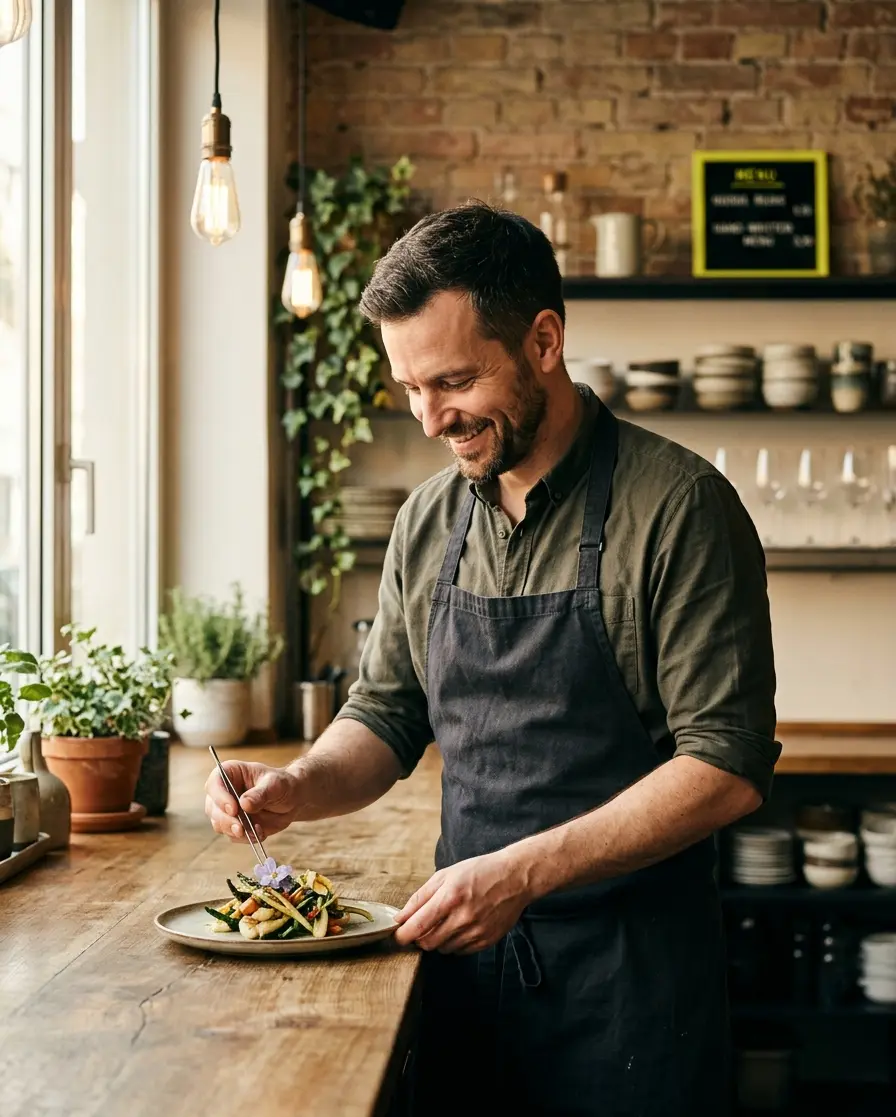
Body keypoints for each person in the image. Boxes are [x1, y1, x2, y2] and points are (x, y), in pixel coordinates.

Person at [205, 202, 780, 1117]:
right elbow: (389, 713)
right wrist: (301, 784)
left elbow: (727, 767)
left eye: (455, 380)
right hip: (464, 969)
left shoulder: (679, 508)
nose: (431, 417)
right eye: (410, 388)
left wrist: (519, 873)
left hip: (629, 990)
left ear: (544, 339)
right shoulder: (427, 521)